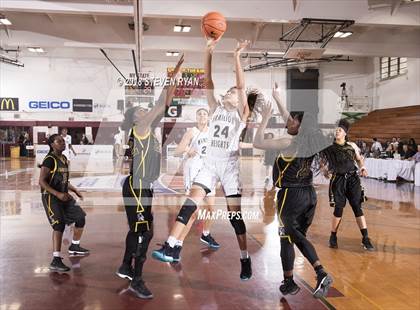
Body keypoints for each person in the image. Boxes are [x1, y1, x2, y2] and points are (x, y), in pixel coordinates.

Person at [152, 39, 253, 281]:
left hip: (228, 168)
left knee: (234, 218)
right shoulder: (215, 108)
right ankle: (171, 245)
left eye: (233, 93)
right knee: (190, 204)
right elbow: (208, 81)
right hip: (209, 165)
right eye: (227, 92)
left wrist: (237, 56)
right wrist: (208, 51)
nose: (229, 93)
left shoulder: (242, 113)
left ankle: (245, 257)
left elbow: (240, 85)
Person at [254, 84, 333, 298]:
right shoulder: (306, 139)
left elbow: (258, 142)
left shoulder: (289, 141)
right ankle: (288, 281)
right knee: (287, 238)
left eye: (291, 120)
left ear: (298, 126)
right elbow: (289, 117)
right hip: (309, 195)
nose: (287, 120)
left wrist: (264, 119)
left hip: (291, 196)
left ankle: (321, 272)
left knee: (293, 236)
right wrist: (277, 97)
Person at [115, 55, 184, 299]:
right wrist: (171, 77)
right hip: (136, 186)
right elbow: (160, 104)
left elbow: (163, 104)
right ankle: (137, 278)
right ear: (136, 117)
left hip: (143, 186)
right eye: (142, 110)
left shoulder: (148, 130)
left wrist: (174, 78)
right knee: (145, 232)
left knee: (139, 230)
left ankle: (126, 265)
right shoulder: (141, 127)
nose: (147, 110)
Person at [173, 107, 220, 256]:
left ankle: (205, 234)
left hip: (210, 172)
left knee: (211, 210)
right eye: (199, 114)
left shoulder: (213, 132)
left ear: (208, 117)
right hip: (194, 171)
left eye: (205, 114)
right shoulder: (191, 132)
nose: (202, 116)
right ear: (196, 117)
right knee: (193, 212)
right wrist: (187, 150)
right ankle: (177, 245)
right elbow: (177, 151)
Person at [321, 119, 374, 251]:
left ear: (345, 133)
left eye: (339, 130)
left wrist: (362, 168)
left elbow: (359, 160)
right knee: (338, 209)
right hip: (337, 179)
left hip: (353, 179)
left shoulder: (352, 146)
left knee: (357, 207)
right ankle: (333, 236)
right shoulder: (329, 147)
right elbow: (322, 162)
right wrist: (324, 171)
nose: (337, 131)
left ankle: (365, 237)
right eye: (336, 130)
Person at [38, 134, 89, 272]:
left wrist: (75, 190)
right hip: (51, 197)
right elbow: (41, 181)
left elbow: (65, 180)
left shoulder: (64, 159)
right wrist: (57, 194)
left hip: (64, 195)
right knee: (58, 225)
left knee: (80, 217)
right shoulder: (49, 160)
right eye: (58, 141)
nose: (62, 143)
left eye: (63, 141)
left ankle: (74, 246)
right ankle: (56, 259)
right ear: (52, 144)